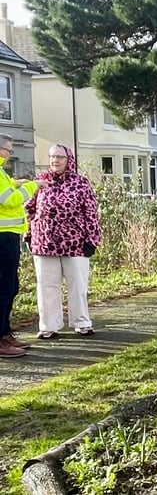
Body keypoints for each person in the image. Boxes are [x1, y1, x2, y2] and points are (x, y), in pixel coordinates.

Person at [26, 144, 101, 339]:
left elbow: (91, 213)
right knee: (46, 286)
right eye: (52, 157)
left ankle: (82, 323)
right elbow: (30, 210)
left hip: (75, 243)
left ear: (69, 160)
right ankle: (49, 326)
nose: (55, 160)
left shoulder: (81, 183)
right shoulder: (40, 183)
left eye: (59, 157)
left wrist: (92, 240)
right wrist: (28, 235)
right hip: (44, 242)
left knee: (77, 284)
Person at [0, 133, 48, 355]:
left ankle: (4, 332)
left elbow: (6, 188)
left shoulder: (2, 173)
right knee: (4, 288)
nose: (10, 154)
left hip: (9, 236)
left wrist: (18, 182)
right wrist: (33, 186)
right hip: (3, 237)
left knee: (11, 287)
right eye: (8, 150)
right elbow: (8, 199)